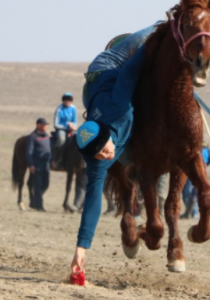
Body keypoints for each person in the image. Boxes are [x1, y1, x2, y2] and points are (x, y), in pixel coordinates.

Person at [70, 23, 159, 275]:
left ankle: (169, 17)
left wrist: (153, 46)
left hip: (107, 66)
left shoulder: (119, 105)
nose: (107, 156)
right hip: (96, 95)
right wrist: (81, 249)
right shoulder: (96, 160)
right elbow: (92, 201)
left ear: (109, 135)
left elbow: (131, 67)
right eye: (100, 155)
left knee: (157, 32)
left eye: (106, 150)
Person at [180, 142, 210, 219]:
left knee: (186, 192)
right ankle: (192, 213)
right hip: (203, 173)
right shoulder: (206, 149)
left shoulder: (194, 149)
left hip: (191, 173)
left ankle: (192, 212)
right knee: (195, 194)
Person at [26, 118, 52, 212]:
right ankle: (39, 206)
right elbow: (29, 151)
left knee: (46, 183)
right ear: (38, 125)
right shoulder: (33, 136)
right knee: (37, 184)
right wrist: (31, 164)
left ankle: (34, 201)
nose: (46, 126)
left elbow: (49, 149)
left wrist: (51, 159)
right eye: (45, 125)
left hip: (46, 163)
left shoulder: (46, 135)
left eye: (47, 125)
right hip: (37, 163)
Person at [53, 93, 77, 166]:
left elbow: (75, 121)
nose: (67, 103)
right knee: (62, 139)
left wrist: (73, 126)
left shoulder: (73, 108)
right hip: (61, 129)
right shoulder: (59, 109)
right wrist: (66, 125)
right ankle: (56, 157)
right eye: (66, 101)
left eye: (69, 101)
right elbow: (56, 124)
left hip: (71, 129)